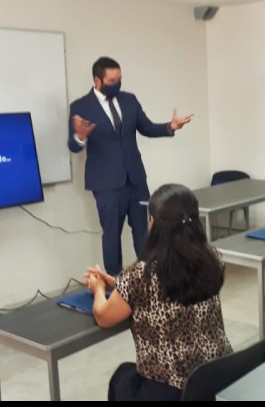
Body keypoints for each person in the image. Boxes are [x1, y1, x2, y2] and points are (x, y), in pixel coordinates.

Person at [84, 183, 233, 401]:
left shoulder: (141, 275)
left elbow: (103, 317)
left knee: (121, 377)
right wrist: (118, 284)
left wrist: (98, 289)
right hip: (215, 379)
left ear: (153, 223)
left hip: (171, 391)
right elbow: (170, 289)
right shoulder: (213, 259)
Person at [68, 56, 193, 276]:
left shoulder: (129, 100)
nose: (117, 83)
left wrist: (170, 126)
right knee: (111, 234)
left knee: (145, 231)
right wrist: (80, 136)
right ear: (97, 80)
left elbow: (146, 127)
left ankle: (149, 276)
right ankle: (115, 282)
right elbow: (73, 145)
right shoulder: (81, 106)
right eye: (112, 80)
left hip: (135, 179)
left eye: (120, 79)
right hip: (106, 183)